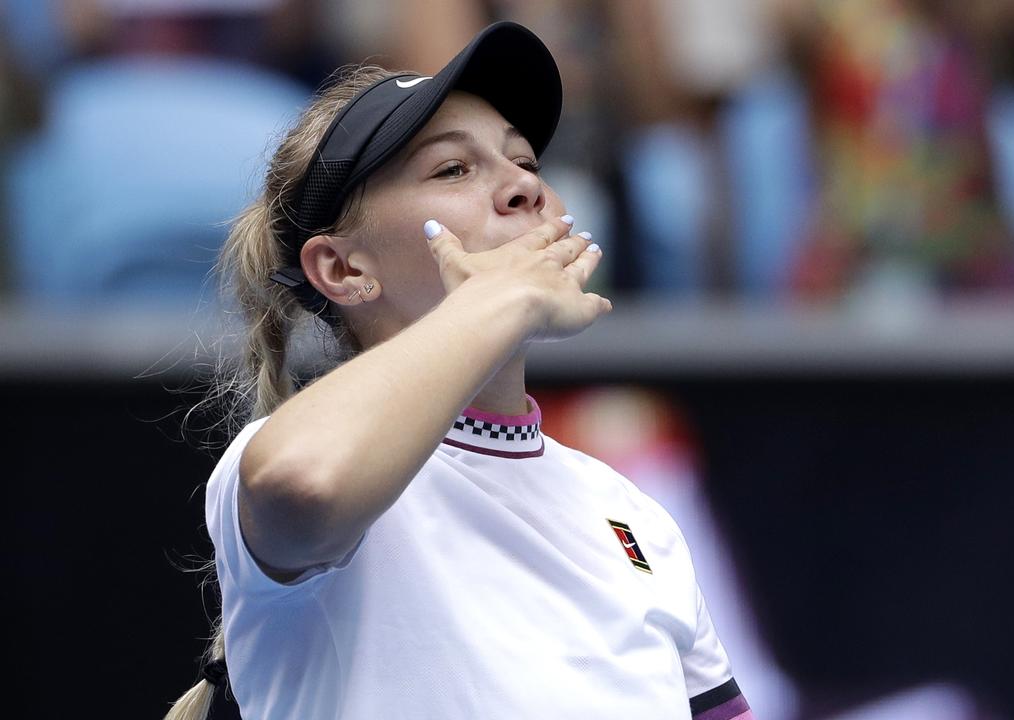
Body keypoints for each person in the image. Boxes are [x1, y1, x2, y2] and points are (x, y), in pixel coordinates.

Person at [164, 21, 752, 720]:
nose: (523, 190)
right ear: (345, 269)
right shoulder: (283, 456)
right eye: (453, 169)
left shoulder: (634, 517)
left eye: (528, 163)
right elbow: (305, 481)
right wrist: (497, 297)